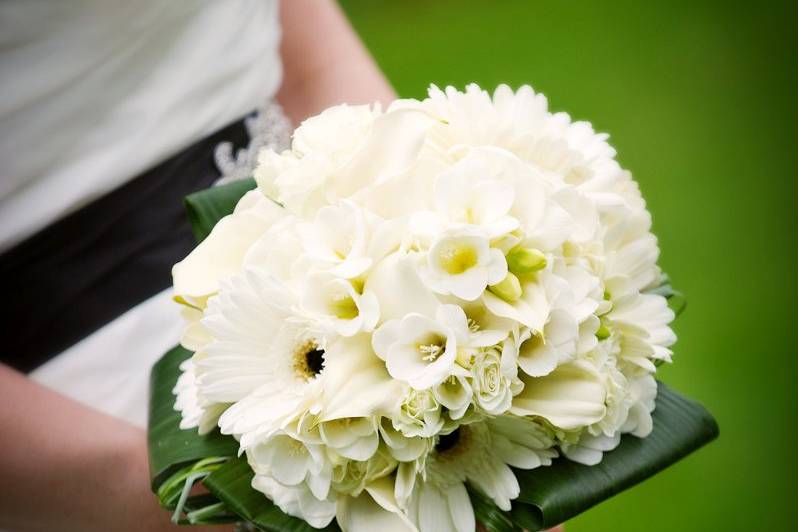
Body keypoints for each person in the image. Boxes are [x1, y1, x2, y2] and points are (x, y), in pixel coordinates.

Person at [0, 2, 392, 530]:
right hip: (79, 422)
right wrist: (182, 496)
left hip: (329, 253)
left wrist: (407, 226)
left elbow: (311, 57)